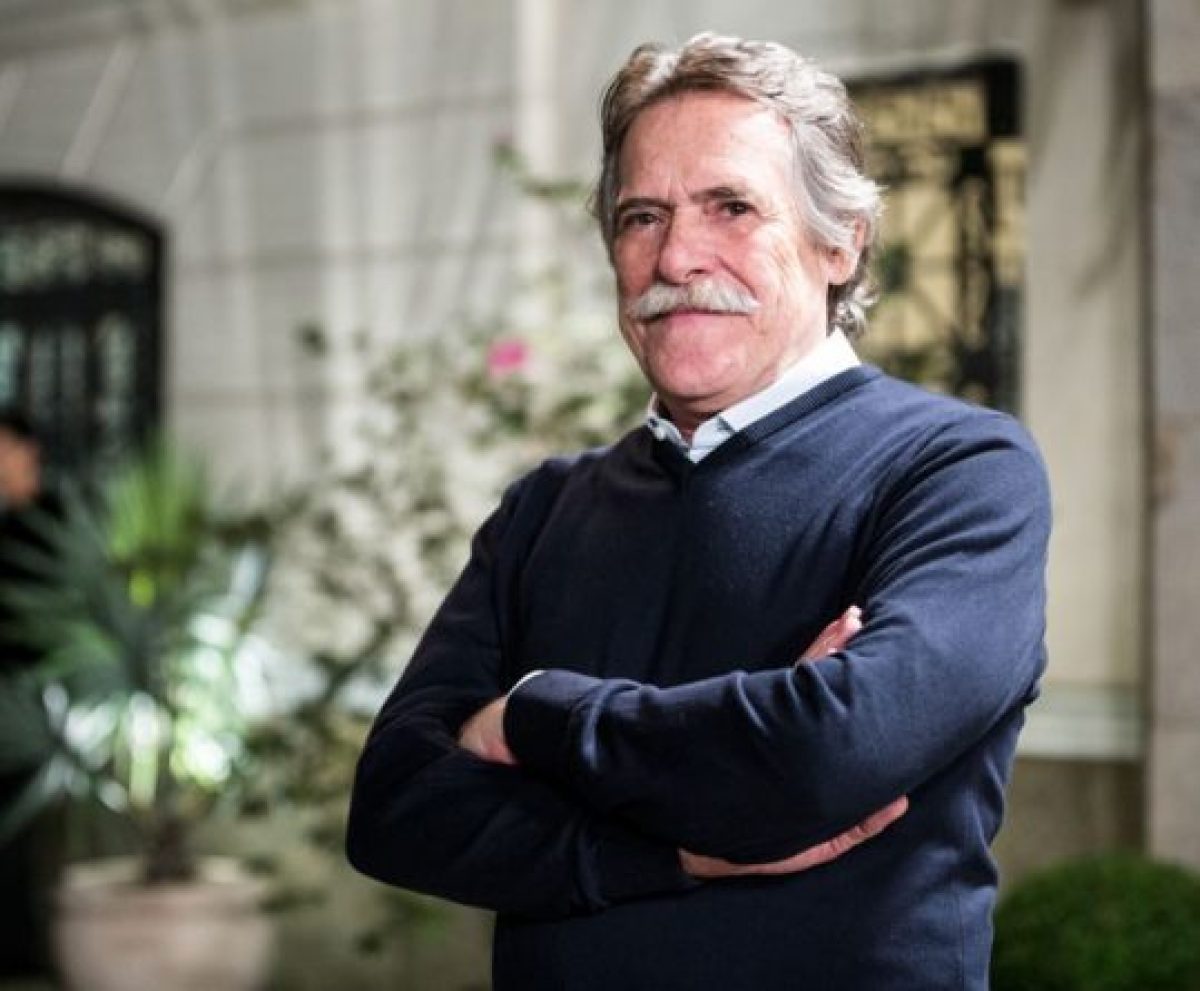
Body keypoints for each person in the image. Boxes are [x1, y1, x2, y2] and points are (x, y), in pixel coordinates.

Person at [347, 32, 1050, 991]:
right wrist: (669, 851)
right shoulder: (546, 509)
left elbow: (826, 752)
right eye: (642, 216)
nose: (676, 255)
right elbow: (394, 809)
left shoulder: (957, 471)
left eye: (732, 207)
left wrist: (533, 714)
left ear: (841, 241)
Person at [0, 408, 59, 981]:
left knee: (20, 834)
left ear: (27, 450)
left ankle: (21, 951)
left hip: (29, 705)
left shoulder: (52, 523)